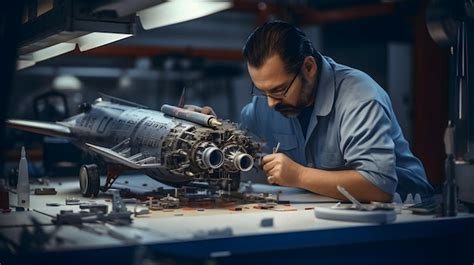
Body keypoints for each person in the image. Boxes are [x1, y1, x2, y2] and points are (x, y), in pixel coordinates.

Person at [194, 21, 433, 202]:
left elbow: (379, 186)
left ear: (308, 67)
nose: (270, 104)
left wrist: (298, 175)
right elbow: (239, 151)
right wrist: (212, 133)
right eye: (261, 91)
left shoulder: (359, 97)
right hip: (331, 210)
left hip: (407, 214)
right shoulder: (263, 106)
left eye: (279, 90)